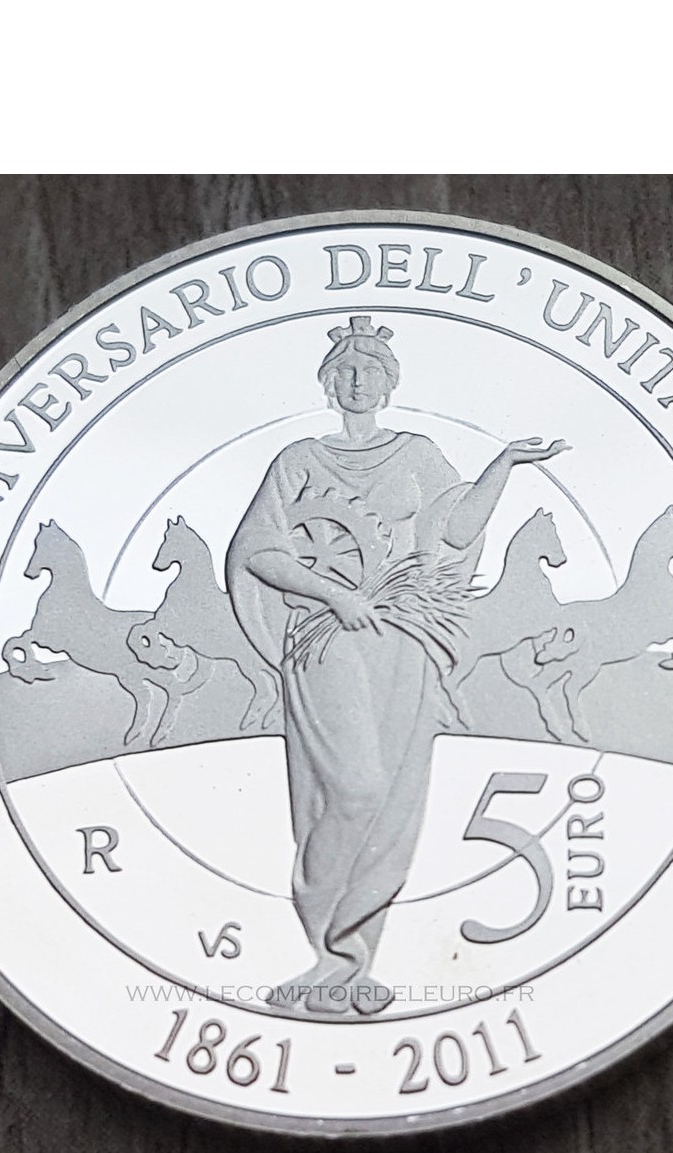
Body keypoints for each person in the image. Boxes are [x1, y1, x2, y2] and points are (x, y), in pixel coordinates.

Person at [226, 316, 567, 1015]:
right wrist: (332, 593)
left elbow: (457, 529)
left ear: (389, 384)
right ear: (329, 383)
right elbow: (259, 551)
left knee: (392, 803)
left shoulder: (418, 453)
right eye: (348, 371)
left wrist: (503, 465)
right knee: (354, 788)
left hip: (402, 641)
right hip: (325, 639)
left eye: (372, 371)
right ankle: (326, 946)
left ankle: (350, 966)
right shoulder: (298, 460)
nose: (358, 381)